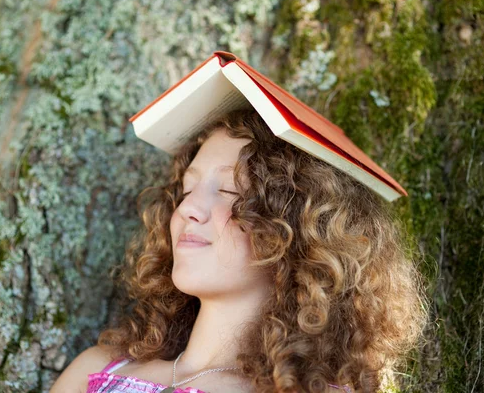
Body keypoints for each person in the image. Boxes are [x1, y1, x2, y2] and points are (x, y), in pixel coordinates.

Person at [50, 109, 428, 393]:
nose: (187, 209)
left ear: (297, 230)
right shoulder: (96, 372)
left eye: (231, 192)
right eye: (186, 190)